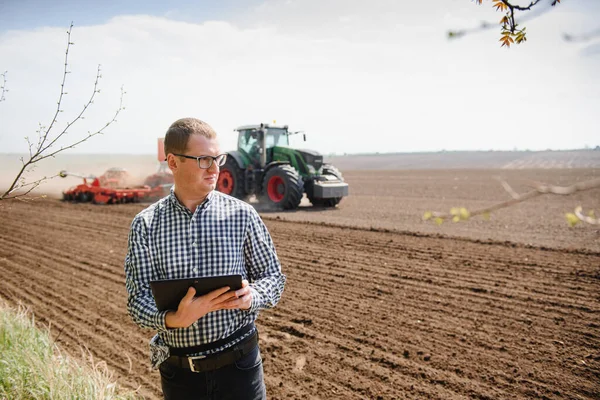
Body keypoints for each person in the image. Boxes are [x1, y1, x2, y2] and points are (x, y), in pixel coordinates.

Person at [124, 117, 286, 400]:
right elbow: (137, 301)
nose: (215, 168)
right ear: (173, 163)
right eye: (203, 160)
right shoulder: (145, 224)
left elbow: (273, 277)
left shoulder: (242, 215)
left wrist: (252, 296)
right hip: (180, 376)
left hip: (240, 368)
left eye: (217, 158)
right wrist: (174, 319)